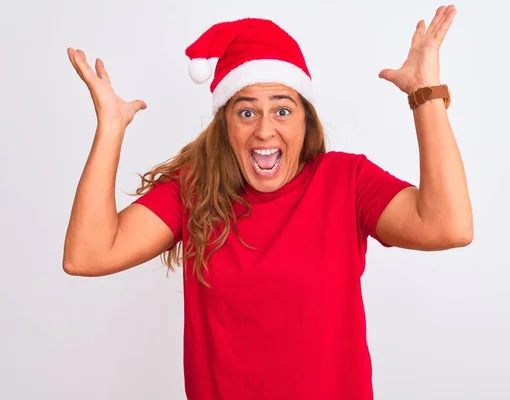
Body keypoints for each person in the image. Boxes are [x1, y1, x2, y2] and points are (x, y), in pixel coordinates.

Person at [63, 5, 472, 400]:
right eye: (246, 112)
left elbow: (447, 227)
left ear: (305, 120)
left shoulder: (346, 181)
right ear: (224, 125)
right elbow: (88, 255)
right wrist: (111, 129)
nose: (264, 130)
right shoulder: (194, 190)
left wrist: (425, 95)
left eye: (282, 110)